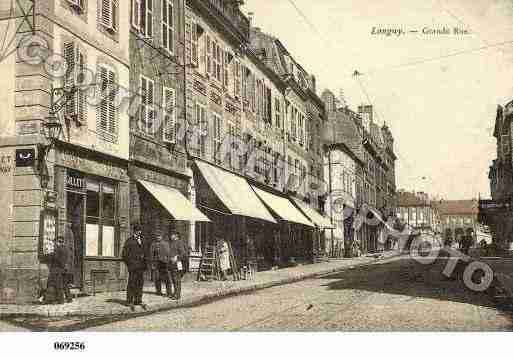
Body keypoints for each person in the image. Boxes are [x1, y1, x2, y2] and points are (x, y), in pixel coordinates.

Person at [121, 223, 147, 310]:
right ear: (134, 231)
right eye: (138, 231)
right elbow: (124, 255)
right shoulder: (129, 241)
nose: (139, 232)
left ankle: (138, 300)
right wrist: (130, 264)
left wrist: (144, 262)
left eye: (140, 231)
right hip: (133, 267)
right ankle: (129, 301)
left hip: (141, 267)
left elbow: (145, 252)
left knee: (140, 283)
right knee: (131, 283)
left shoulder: (142, 240)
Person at [46, 236, 70, 304]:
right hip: (64, 270)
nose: (55, 244)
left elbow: (56, 258)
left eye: (55, 242)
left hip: (57, 270)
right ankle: (69, 298)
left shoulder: (58, 249)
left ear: (58, 242)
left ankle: (61, 300)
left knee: (59, 286)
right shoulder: (66, 249)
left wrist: (50, 255)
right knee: (65, 285)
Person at [150, 233, 172, 298]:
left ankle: (169, 292)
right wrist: (152, 264)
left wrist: (168, 261)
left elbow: (169, 254)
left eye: (159, 236)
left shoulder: (166, 244)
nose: (158, 237)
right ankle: (158, 291)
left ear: (162, 236)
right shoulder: (153, 244)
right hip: (156, 263)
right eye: (157, 236)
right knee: (157, 278)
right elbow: (151, 255)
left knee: (167, 278)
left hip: (165, 263)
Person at [168, 231, 184, 300]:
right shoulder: (171, 243)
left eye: (172, 235)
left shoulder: (179, 242)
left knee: (177, 279)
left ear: (176, 235)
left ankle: (177, 294)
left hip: (177, 263)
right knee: (173, 279)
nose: (171, 236)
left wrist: (176, 257)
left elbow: (183, 253)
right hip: (172, 263)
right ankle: (175, 293)